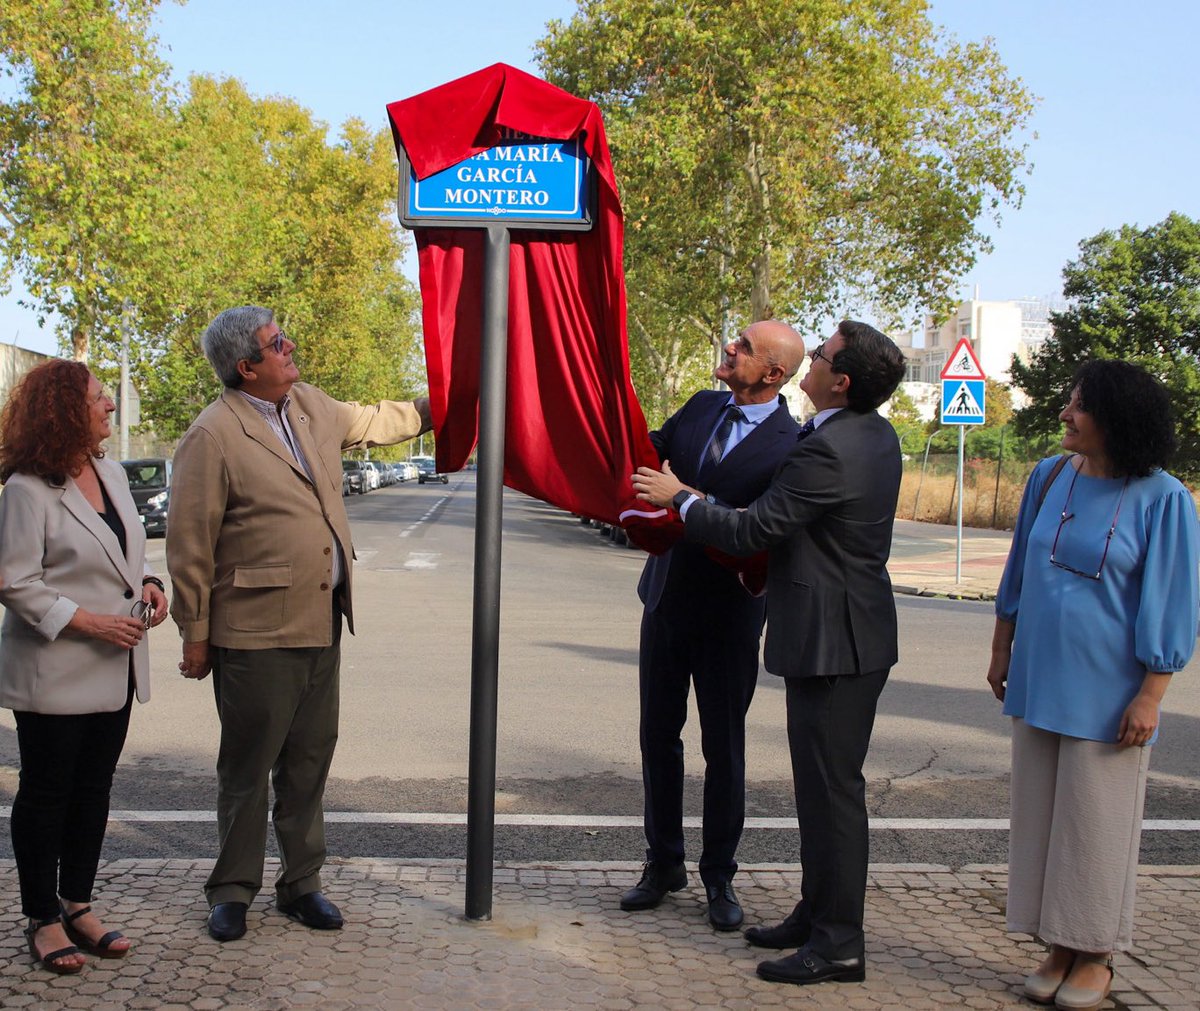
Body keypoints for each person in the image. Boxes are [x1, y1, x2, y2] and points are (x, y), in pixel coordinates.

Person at [633, 319, 906, 986]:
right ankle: (815, 916)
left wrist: (682, 497)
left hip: (833, 639)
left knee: (833, 797)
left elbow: (755, 526)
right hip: (835, 633)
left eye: (822, 355)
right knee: (820, 794)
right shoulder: (866, 432)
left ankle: (837, 942)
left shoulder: (821, 447)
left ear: (837, 382)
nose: (814, 358)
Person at [166, 306, 432, 942]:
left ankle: (301, 883)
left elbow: (372, 419)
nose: (289, 347)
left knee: (310, 760)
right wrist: (195, 634)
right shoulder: (214, 434)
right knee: (248, 766)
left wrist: (444, 399)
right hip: (254, 631)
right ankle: (231, 890)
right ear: (245, 367)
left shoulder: (309, 404)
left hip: (321, 619)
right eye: (274, 344)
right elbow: (189, 544)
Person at [986, 360, 1198, 1010]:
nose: (1064, 414)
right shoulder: (1049, 475)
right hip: (1038, 675)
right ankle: (1057, 942)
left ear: (1116, 418)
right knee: (1044, 820)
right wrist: (1001, 649)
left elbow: (1172, 602)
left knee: (1095, 825)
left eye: (1078, 405)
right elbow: (1019, 569)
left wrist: (1151, 694)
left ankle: (1096, 952)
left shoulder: (1165, 498)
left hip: (1111, 694)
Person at [621, 320, 804, 931]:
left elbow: (760, 529)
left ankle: (719, 875)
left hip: (729, 615)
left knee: (722, 751)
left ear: (774, 374)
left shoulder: (792, 444)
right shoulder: (701, 406)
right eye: (735, 340)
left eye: (745, 347)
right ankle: (662, 863)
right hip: (666, 599)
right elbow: (648, 452)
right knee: (657, 739)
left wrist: (684, 496)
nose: (730, 348)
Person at [0, 360, 169, 974]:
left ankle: (78, 904)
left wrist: (150, 583)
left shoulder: (111, 472)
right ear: (67, 409)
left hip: (115, 666)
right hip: (55, 667)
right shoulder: (26, 488)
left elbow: (127, 554)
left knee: (94, 791)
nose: (110, 407)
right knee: (47, 794)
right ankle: (42, 918)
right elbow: (14, 582)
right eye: (101, 398)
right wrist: (91, 622)